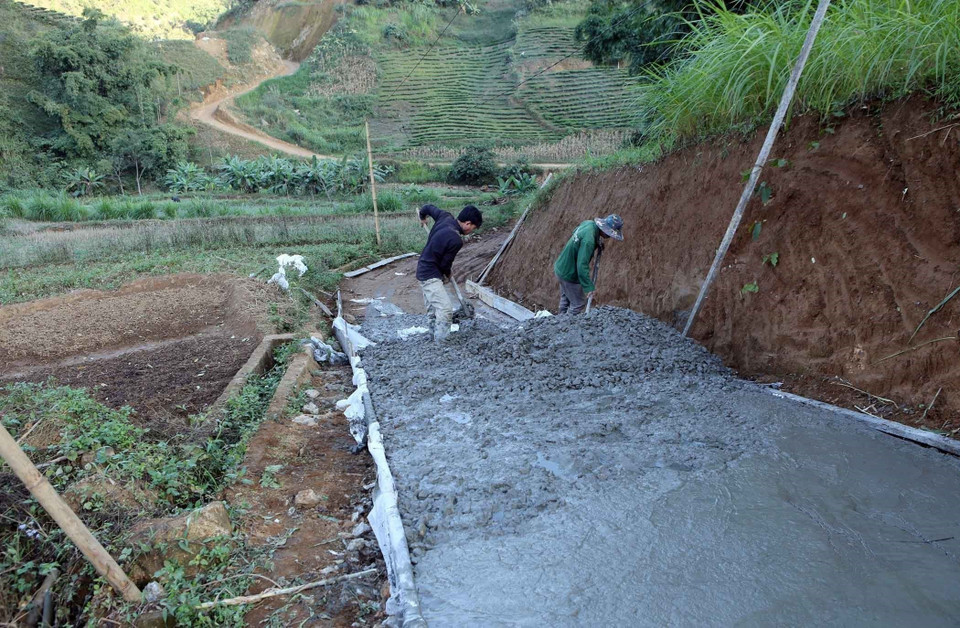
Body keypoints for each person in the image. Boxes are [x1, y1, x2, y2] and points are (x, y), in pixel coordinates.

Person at [417, 203, 483, 340]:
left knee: (434, 308)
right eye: (473, 228)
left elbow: (427, 208)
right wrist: (447, 274)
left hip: (422, 268)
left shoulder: (444, 216)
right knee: (445, 310)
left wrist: (422, 217)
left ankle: (432, 336)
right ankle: (441, 343)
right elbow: (444, 265)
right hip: (430, 274)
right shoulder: (456, 240)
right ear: (467, 223)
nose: (472, 230)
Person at [553, 214, 623, 315]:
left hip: (562, 266)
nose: (609, 237)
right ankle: (565, 327)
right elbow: (582, 265)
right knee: (578, 303)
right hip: (568, 273)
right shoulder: (589, 241)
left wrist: (597, 241)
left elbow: (575, 233)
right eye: (609, 234)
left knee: (566, 299)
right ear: (605, 229)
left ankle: (557, 322)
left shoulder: (588, 224)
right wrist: (589, 287)